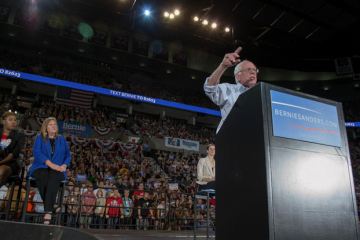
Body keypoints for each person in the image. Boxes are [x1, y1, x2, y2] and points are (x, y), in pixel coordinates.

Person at [204, 47, 258, 133]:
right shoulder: (229, 90)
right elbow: (210, 88)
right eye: (248, 69)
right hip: (230, 139)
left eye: (254, 70)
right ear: (238, 76)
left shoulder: (260, 96)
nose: (253, 72)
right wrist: (223, 66)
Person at [29, 117, 71, 224]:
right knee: (43, 175)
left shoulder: (61, 140)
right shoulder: (40, 138)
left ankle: (48, 209)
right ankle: (51, 207)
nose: (53, 126)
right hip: (41, 167)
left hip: (58, 168)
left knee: (54, 175)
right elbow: (37, 152)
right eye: (51, 124)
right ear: (45, 128)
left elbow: (68, 155)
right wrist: (50, 164)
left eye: (55, 124)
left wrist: (64, 166)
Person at [0, 112, 25, 187]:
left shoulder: (19, 135)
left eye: (15, 120)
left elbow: (14, 154)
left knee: (1, 171)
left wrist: (1, 162)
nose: (14, 122)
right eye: (10, 120)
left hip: (11, 163)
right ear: (3, 121)